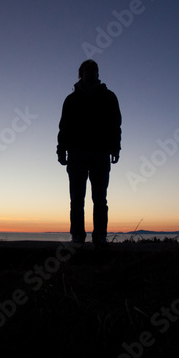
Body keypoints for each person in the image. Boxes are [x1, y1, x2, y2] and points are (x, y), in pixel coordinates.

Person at [57, 60, 121, 246]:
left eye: (94, 69)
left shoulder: (109, 97)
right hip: (76, 154)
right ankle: (77, 237)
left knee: (100, 198)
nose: (91, 72)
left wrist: (115, 147)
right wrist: (61, 150)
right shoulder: (71, 100)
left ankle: (100, 237)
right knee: (77, 198)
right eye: (87, 69)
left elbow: (115, 124)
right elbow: (64, 127)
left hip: (100, 154)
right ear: (81, 73)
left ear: (98, 73)